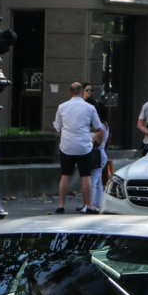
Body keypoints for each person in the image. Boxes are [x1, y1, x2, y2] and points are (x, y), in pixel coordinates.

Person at [53, 82, 103, 214]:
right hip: (84, 146)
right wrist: (87, 128)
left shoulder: (62, 107)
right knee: (85, 176)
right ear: (81, 92)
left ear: (70, 93)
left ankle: (61, 205)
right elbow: (98, 127)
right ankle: (89, 206)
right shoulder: (90, 108)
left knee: (65, 175)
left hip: (67, 146)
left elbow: (57, 127)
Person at [89, 103, 111, 212]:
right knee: (97, 181)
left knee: (93, 180)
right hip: (100, 153)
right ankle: (97, 203)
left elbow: (98, 142)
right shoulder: (104, 125)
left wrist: (87, 140)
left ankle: (90, 205)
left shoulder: (101, 127)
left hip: (98, 154)